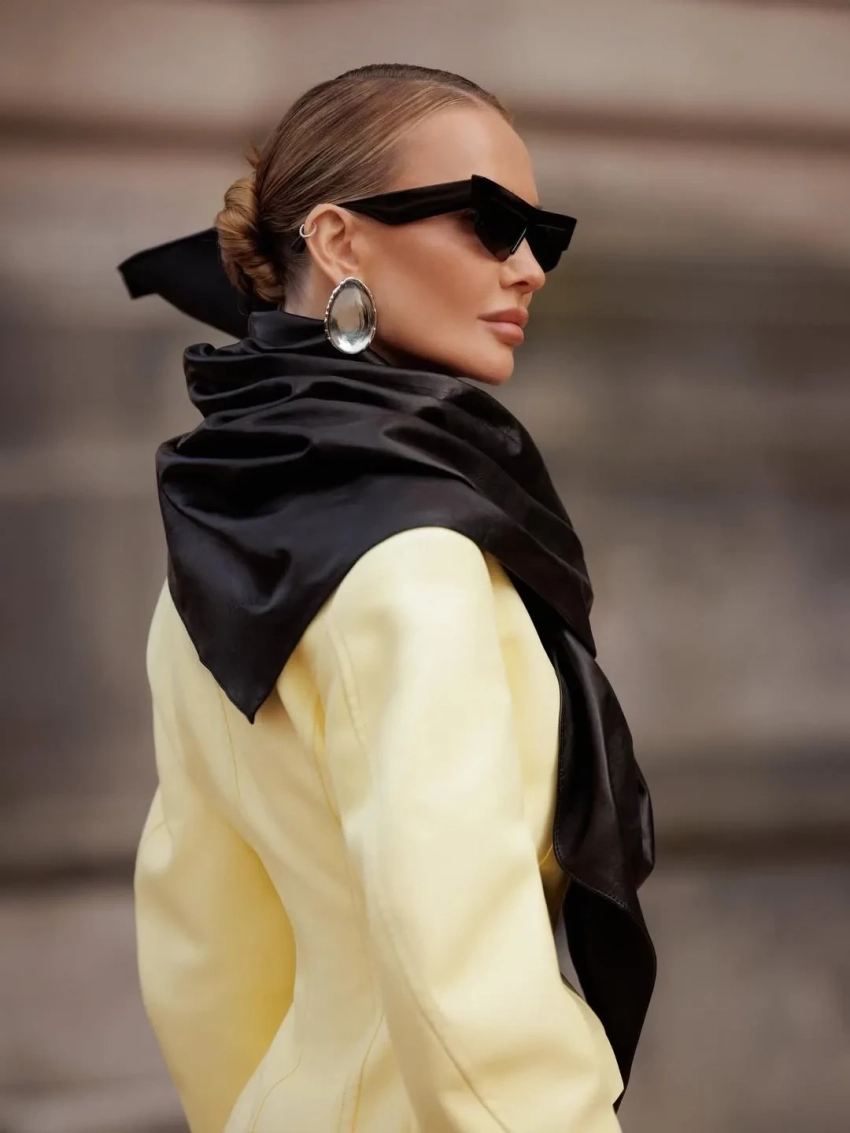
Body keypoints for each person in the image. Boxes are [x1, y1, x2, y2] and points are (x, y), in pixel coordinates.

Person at [122, 63, 656, 1133]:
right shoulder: (418, 557)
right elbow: (463, 982)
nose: (528, 269)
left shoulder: (221, 539)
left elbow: (201, 945)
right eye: (491, 224)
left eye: (542, 237)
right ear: (338, 240)